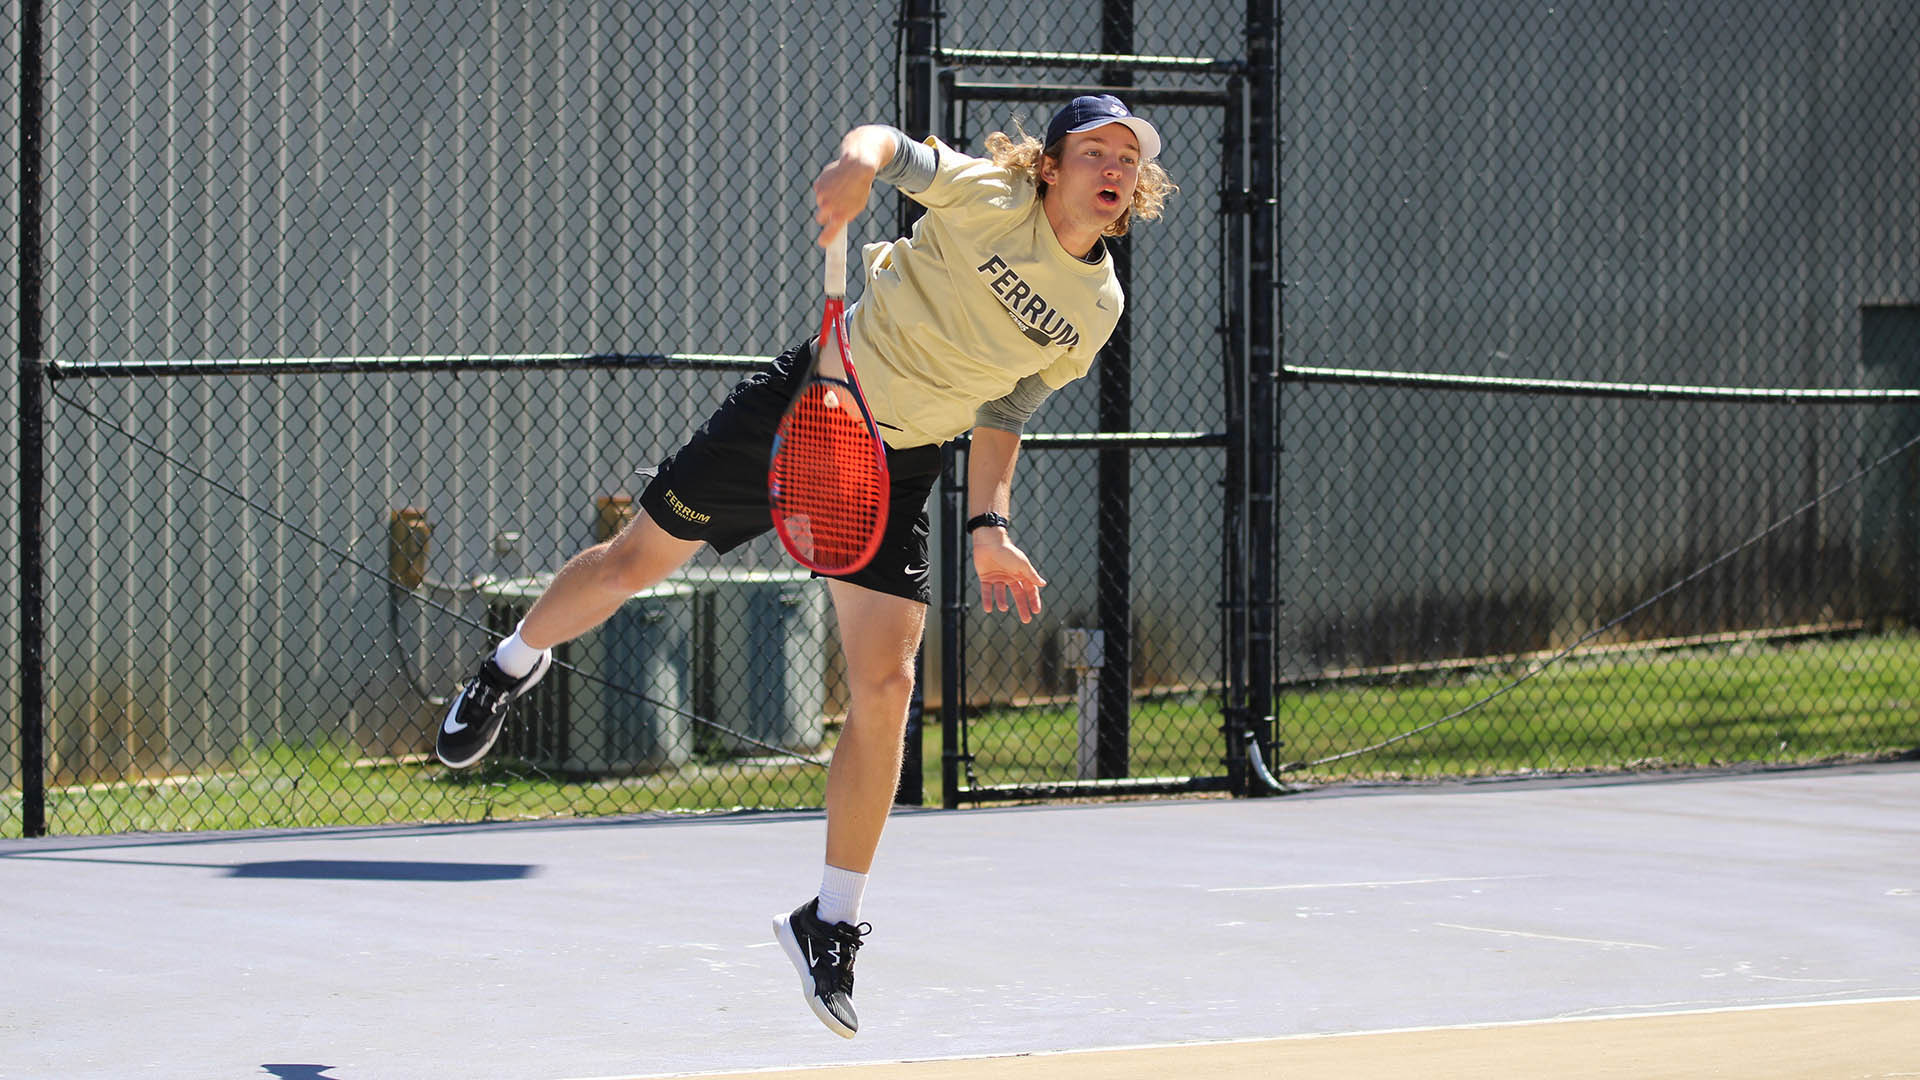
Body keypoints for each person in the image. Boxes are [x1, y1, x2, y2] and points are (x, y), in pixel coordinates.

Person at [434, 94, 1175, 1037]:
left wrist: (989, 522)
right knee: (631, 564)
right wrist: (858, 167)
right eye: (1094, 150)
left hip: (903, 463)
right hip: (814, 404)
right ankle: (511, 665)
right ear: (1051, 166)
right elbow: (888, 145)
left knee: (888, 683)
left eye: (1127, 157)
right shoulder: (990, 194)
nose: (1113, 167)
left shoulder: (1097, 306)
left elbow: (1007, 411)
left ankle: (830, 921)